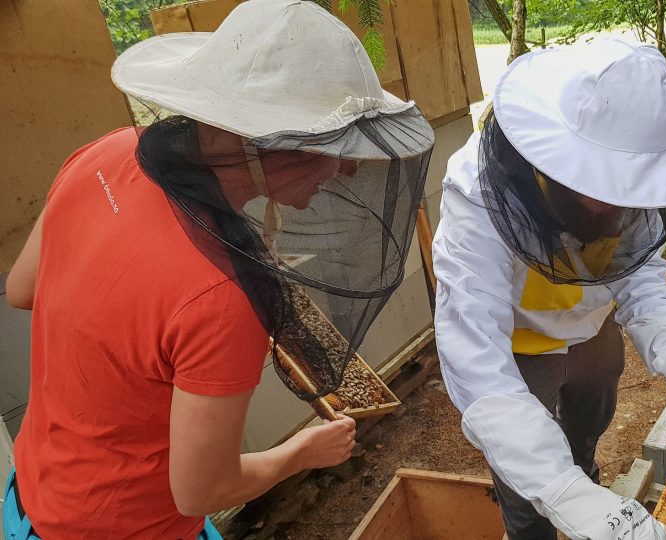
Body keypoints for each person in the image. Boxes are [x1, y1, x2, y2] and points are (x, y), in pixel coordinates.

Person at [3, 1, 434, 538]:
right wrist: (300, 453)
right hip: (125, 526)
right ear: (264, 144)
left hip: (33, 492)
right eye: (332, 147)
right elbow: (202, 491)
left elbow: (22, 289)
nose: (346, 168)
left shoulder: (106, 154)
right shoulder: (220, 298)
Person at [432, 40, 666, 540]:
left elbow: (639, 269)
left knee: (586, 430)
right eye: (605, 187)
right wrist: (557, 488)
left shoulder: (631, 180)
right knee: (530, 492)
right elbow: (476, 359)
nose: (618, 205)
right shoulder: (478, 194)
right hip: (519, 348)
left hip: (593, 330)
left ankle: (586, 483)